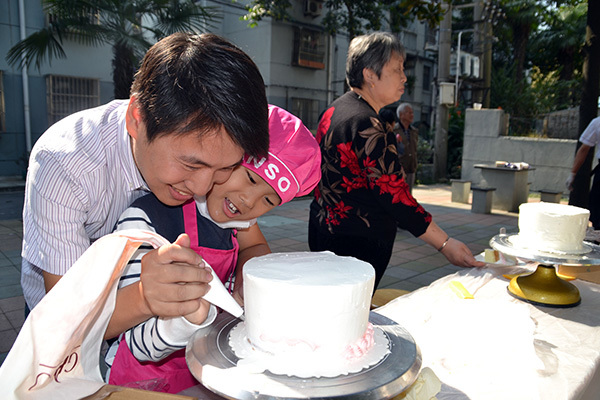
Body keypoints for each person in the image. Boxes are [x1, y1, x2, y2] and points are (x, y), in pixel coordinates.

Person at [20, 32, 270, 318]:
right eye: (190, 165)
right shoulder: (65, 164)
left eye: (226, 168)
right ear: (136, 118)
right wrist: (144, 299)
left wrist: (248, 279)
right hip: (61, 322)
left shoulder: (211, 159)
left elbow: (253, 244)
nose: (202, 187)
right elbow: (65, 317)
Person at [104, 105, 321, 392]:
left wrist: (248, 278)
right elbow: (136, 341)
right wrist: (185, 320)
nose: (248, 201)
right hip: (136, 384)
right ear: (226, 159)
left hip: (204, 375)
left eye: (268, 201)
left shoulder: (237, 222)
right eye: (251, 179)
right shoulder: (144, 221)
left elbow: (254, 246)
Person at [309, 32, 484, 290]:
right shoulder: (367, 123)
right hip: (357, 243)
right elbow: (395, 196)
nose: (404, 77)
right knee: (350, 314)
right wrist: (445, 244)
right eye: (397, 69)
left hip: (324, 230)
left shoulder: (334, 109)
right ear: (370, 74)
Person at [566, 116, 600, 229]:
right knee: (597, 210)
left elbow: (584, 149)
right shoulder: (597, 122)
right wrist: (573, 173)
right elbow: (584, 149)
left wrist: (573, 174)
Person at [396, 103, 419, 193]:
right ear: (401, 115)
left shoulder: (414, 131)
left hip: (411, 167)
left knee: (408, 195)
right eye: (409, 112)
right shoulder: (394, 130)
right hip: (399, 169)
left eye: (412, 113)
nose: (412, 115)